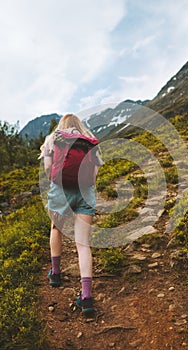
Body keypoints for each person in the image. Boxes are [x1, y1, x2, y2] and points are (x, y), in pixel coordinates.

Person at [40, 113, 101, 317]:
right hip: (85, 193)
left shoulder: (53, 138)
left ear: (62, 125)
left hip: (60, 191)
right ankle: (86, 298)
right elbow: (93, 176)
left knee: (55, 228)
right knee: (83, 244)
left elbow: (48, 168)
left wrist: (56, 180)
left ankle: (55, 274)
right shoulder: (89, 141)